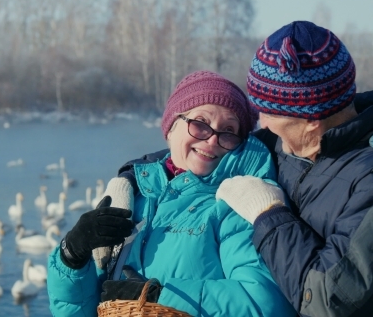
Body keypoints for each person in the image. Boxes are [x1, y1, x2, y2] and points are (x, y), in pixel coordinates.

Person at [120, 21, 373, 317]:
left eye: (270, 113)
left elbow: (328, 300)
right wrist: (131, 180)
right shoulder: (289, 139)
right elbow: (199, 148)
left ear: (312, 118)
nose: (262, 123)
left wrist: (269, 214)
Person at [46, 70, 296, 316]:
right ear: (171, 126)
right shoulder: (133, 199)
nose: (212, 140)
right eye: (200, 124)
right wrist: (72, 255)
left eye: (228, 131)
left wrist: (159, 296)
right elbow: (79, 311)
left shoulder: (236, 204)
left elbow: (266, 304)